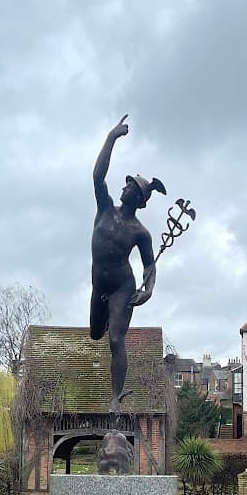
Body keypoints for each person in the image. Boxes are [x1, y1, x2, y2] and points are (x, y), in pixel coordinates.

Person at [90, 115, 166, 413]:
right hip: (100, 285)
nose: (123, 187)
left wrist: (149, 288)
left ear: (137, 196)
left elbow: (149, 266)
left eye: (129, 186)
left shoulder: (140, 232)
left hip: (123, 285)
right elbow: (97, 176)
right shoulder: (105, 209)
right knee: (97, 332)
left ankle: (115, 399)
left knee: (115, 339)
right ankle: (109, 315)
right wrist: (111, 137)